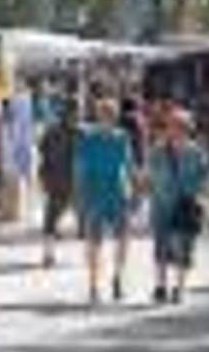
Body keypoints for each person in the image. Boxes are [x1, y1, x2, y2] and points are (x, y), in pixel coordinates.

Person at [75, 98, 134, 304]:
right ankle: (93, 285)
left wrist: (133, 191)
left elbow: (128, 166)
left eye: (110, 116)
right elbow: (80, 170)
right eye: (103, 115)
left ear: (115, 118)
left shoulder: (122, 137)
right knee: (94, 243)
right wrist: (80, 198)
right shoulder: (87, 138)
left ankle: (117, 278)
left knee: (122, 239)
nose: (107, 120)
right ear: (98, 116)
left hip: (117, 193)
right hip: (96, 194)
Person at [148, 109, 208, 304]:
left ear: (187, 129)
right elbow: (150, 176)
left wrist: (198, 198)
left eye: (180, 127)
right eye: (172, 126)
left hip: (185, 206)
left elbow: (203, 179)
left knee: (184, 248)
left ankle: (179, 288)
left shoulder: (196, 152)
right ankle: (160, 286)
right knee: (161, 247)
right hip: (161, 206)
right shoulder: (157, 150)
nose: (176, 130)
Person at [39, 100, 78, 268]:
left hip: (58, 179)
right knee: (52, 218)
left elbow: (43, 153)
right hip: (66, 180)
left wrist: (43, 176)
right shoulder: (78, 133)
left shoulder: (52, 131)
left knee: (51, 218)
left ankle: (49, 253)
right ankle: (48, 254)